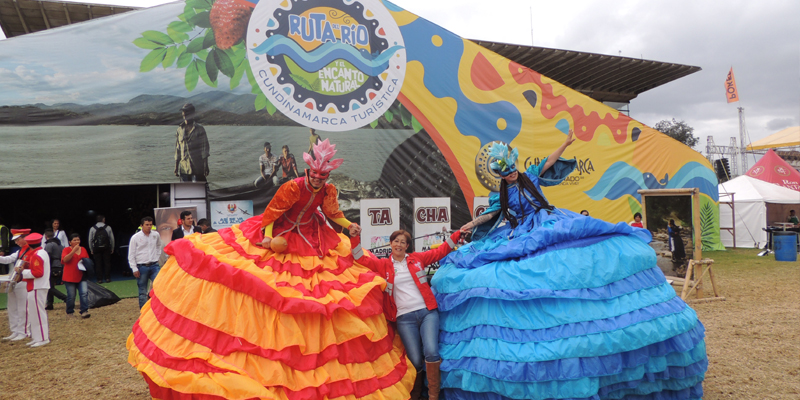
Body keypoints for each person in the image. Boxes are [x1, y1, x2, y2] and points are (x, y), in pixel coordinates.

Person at [127, 139, 416, 400]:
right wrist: (266, 238)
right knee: (268, 288)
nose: (317, 179)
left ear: (327, 175)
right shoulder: (292, 187)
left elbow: (333, 213)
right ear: (307, 171)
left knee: (324, 294)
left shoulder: (328, 190)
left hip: (315, 239)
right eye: (314, 174)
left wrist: (347, 226)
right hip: (280, 236)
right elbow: (271, 214)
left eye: (322, 175)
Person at [433, 135, 708, 399]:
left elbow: (549, 163)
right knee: (514, 266)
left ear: (515, 166)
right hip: (520, 232)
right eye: (505, 174)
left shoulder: (530, 175)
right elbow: (492, 215)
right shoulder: (501, 195)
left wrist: (564, 144)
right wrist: (471, 224)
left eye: (511, 170)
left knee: (573, 254)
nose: (510, 175)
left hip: (547, 220)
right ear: (501, 177)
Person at [351, 229, 462, 400]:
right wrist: (353, 237)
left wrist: (457, 235)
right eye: (396, 241)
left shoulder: (417, 259)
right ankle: (416, 395)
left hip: (427, 313)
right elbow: (359, 258)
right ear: (391, 244)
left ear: (407, 246)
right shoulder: (383, 265)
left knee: (432, 352)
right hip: (404, 319)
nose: (399, 245)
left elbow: (441, 251)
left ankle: (434, 396)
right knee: (415, 361)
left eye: (403, 242)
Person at [17, 232, 51, 347]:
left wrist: (22, 272)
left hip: (37, 286)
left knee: (38, 314)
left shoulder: (37, 254)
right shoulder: (41, 252)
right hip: (37, 286)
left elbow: (38, 273)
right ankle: (38, 337)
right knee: (34, 314)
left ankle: (42, 338)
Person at [0, 229, 32, 342]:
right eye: (16, 240)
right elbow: (8, 259)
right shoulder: (20, 251)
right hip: (15, 281)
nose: (17, 242)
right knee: (12, 307)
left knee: (23, 308)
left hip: (24, 281)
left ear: (25, 238)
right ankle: (15, 330)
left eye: (18, 239)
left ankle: (24, 331)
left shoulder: (31, 251)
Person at [128, 217, 163, 309]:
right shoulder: (135, 237)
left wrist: (157, 256)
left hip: (154, 264)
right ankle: (144, 310)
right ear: (141, 226)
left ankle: (158, 308)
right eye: (147, 225)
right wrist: (134, 268)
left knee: (159, 286)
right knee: (142, 290)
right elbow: (131, 254)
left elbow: (159, 245)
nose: (149, 227)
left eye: (150, 225)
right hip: (141, 266)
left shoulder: (155, 235)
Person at [174, 103, 210, 182]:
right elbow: (178, 150)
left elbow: (204, 149)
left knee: (199, 191)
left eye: (187, 111)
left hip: (197, 168)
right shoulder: (179, 130)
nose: (184, 113)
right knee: (185, 192)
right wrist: (176, 167)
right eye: (183, 111)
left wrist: (205, 166)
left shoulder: (199, 129)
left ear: (193, 114)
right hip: (184, 169)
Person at [61, 233, 91, 318]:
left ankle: (84, 311)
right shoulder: (66, 250)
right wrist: (73, 251)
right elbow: (65, 260)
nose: (77, 241)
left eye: (78, 240)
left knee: (84, 293)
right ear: (70, 242)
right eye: (74, 240)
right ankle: (70, 312)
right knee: (71, 295)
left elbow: (87, 260)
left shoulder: (83, 249)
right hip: (69, 276)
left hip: (81, 275)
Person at [43, 229, 67, 310]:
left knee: (48, 287)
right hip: (59, 266)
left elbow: (47, 257)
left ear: (46, 237)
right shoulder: (60, 245)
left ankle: (65, 298)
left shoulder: (49, 245)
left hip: (52, 266)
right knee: (50, 285)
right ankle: (50, 304)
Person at [88, 215, 115, 283]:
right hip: (106, 247)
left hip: (96, 248)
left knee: (98, 263)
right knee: (107, 263)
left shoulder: (92, 228)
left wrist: (91, 249)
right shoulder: (108, 227)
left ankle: (99, 279)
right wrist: (112, 247)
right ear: (103, 219)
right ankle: (107, 278)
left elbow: (90, 239)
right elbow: (112, 239)